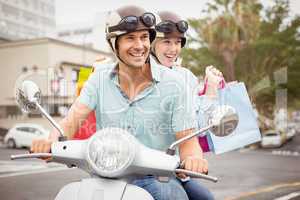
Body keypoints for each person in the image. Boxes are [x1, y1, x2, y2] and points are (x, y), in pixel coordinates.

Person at [31, 5, 208, 200]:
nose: (139, 45)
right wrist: (51, 140)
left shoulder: (175, 83)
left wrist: (193, 159)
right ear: (113, 43)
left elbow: (188, 140)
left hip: (156, 176)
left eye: (144, 37)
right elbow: (72, 120)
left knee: (175, 195)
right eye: (130, 38)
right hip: (106, 175)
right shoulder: (98, 78)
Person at [151, 11, 224, 200]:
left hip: (171, 169)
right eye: (167, 41)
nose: (173, 49)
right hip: (133, 167)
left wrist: (211, 88)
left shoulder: (186, 77)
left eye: (178, 42)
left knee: (205, 198)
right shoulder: (137, 72)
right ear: (151, 43)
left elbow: (197, 129)